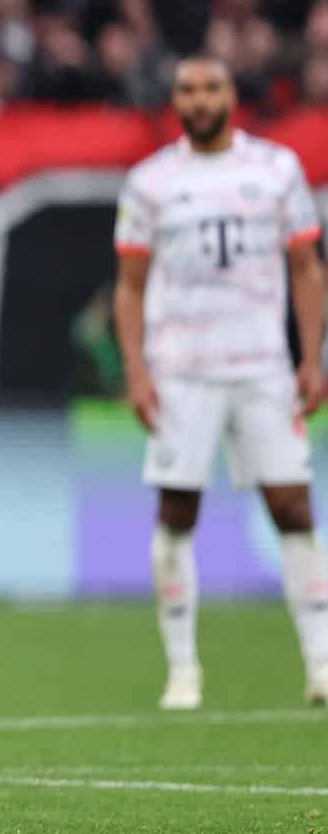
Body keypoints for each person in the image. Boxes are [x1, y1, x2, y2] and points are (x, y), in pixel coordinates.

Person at [114, 55, 328, 710]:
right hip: (182, 369)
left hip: (263, 364)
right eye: (188, 89)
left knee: (292, 505)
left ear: (231, 94)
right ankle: (183, 670)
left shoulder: (277, 169)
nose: (200, 99)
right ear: (175, 99)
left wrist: (311, 357)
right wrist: (138, 369)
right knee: (177, 509)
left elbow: (306, 268)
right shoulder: (150, 181)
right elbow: (130, 285)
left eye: (211, 87)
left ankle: (320, 663)